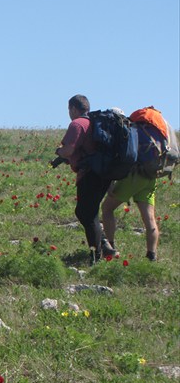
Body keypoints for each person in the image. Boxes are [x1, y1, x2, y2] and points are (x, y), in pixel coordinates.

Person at [101, 107, 168, 262]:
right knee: (149, 218)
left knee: (107, 208)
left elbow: (121, 158)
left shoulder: (128, 130)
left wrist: (111, 182)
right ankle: (151, 255)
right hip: (151, 175)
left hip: (134, 176)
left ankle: (110, 248)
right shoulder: (153, 129)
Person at [54, 94, 114, 263]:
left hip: (90, 174)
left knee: (86, 213)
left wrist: (59, 152)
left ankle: (96, 256)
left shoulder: (77, 124)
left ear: (73, 108)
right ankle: (103, 245)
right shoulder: (95, 122)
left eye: (69, 109)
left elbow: (68, 150)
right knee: (87, 212)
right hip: (104, 173)